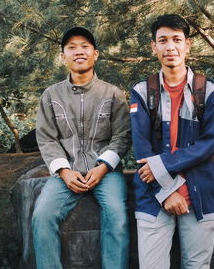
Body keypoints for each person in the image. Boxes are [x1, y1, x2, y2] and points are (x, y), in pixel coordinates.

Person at [32, 26, 131, 269]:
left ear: (95, 54)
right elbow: (46, 138)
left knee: (117, 217)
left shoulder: (113, 94)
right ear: (62, 56)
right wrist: (64, 172)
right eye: (71, 47)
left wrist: (103, 167)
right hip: (66, 173)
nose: (79, 52)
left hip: (106, 173)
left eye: (85, 46)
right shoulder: (51, 95)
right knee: (41, 216)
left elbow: (122, 136)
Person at [129, 14, 214, 269]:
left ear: (188, 44)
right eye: (163, 40)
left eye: (176, 40)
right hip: (153, 194)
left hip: (200, 192)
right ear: (154, 46)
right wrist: (168, 190)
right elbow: (141, 148)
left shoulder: (209, 90)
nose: (170, 47)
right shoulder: (142, 91)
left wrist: (163, 165)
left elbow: (210, 143)